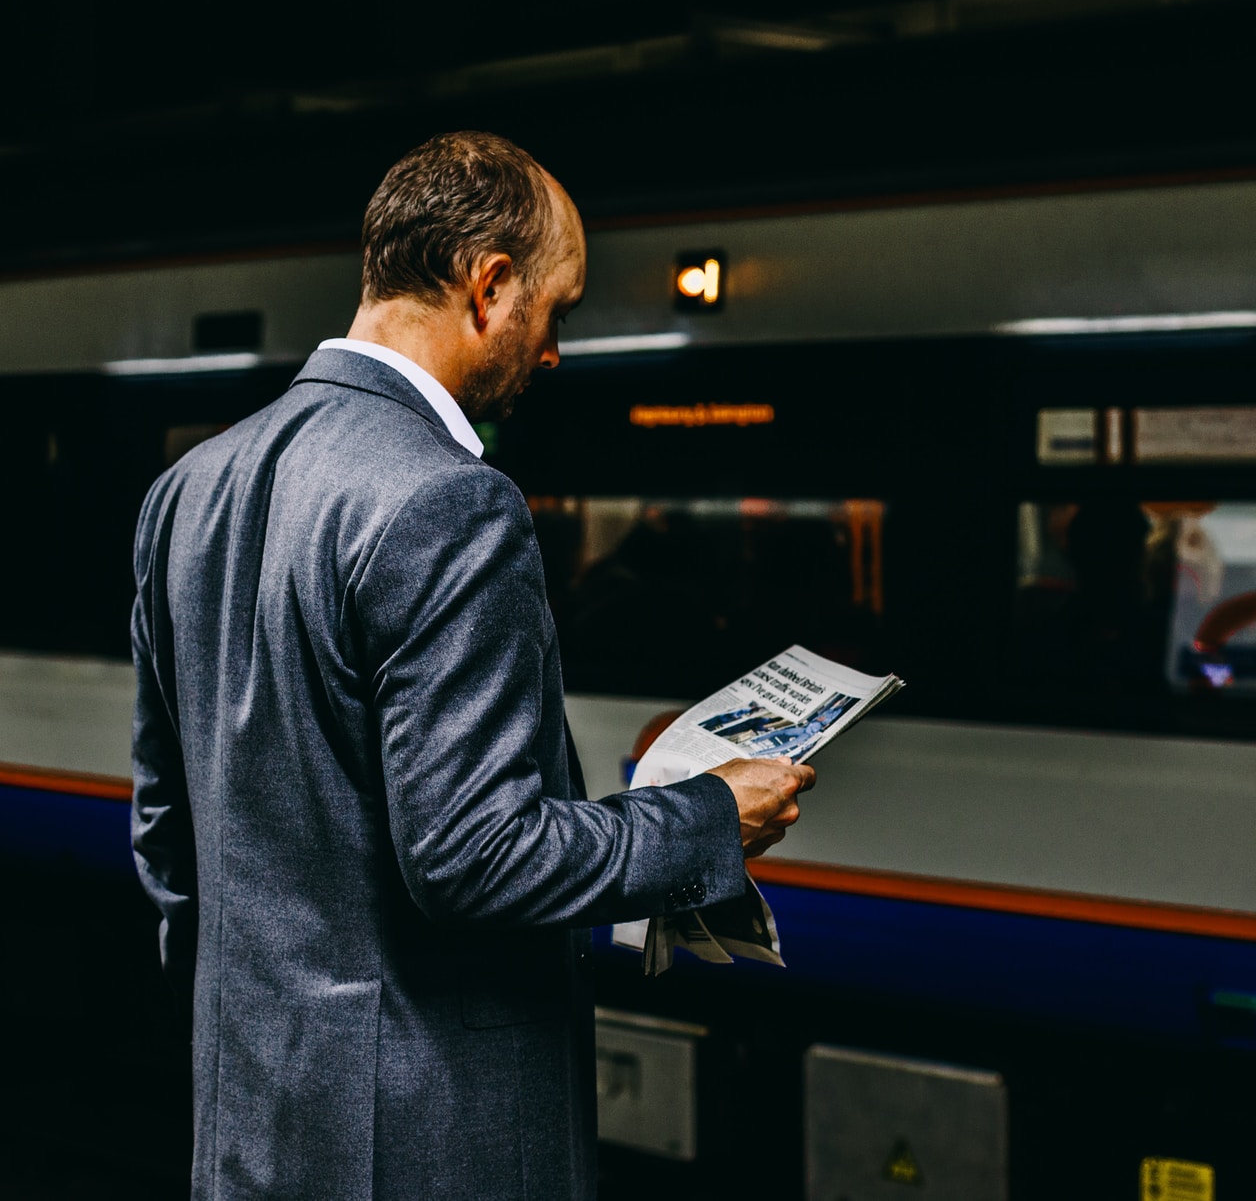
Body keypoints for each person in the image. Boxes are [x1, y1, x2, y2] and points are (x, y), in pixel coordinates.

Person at [129, 131, 814, 1201]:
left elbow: (167, 838)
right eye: (557, 310)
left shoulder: (190, 489)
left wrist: (269, 1041)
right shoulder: (449, 498)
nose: (553, 351)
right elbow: (473, 856)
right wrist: (708, 817)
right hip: (427, 1145)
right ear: (488, 286)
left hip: (250, 1123)